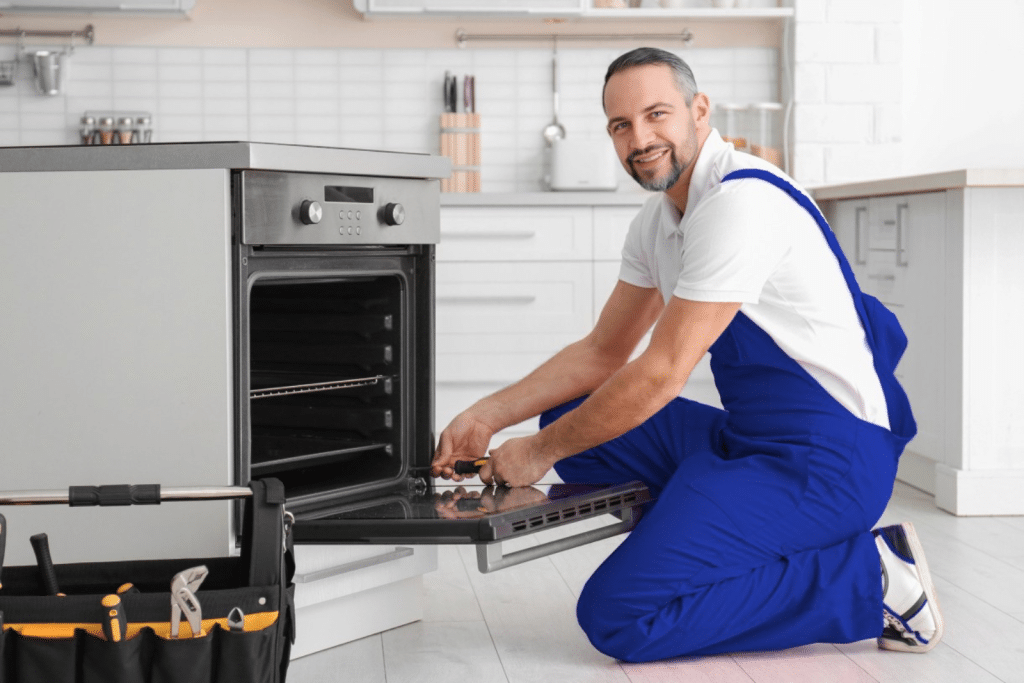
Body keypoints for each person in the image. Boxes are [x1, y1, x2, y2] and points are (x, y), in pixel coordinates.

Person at [430, 47, 943, 662]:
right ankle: (712, 541)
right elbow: (601, 353)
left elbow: (664, 372)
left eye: (656, 114)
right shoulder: (658, 220)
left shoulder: (739, 204)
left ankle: (872, 579)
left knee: (618, 615)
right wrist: (488, 416)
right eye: (621, 125)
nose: (640, 138)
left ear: (700, 111)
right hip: (751, 440)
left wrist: (540, 454)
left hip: (826, 466)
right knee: (572, 417)